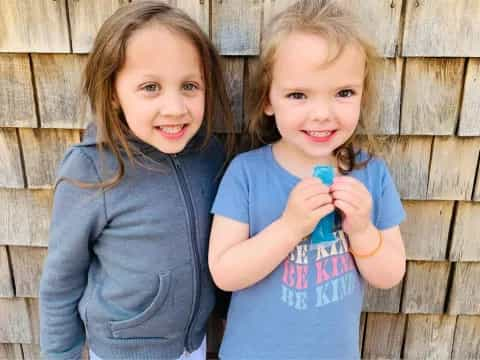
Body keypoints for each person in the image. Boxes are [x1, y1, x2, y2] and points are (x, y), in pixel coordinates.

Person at [208, 0, 406, 358]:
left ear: (363, 93)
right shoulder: (247, 173)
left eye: (343, 93)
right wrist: (289, 227)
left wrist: (362, 230)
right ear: (268, 99)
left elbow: (389, 274)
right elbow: (225, 273)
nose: (322, 114)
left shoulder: (371, 173)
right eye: (298, 95)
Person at [39, 1, 234, 359]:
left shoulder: (209, 154)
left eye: (190, 86)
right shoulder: (91, 168)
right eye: (150, 87)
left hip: (194, 343)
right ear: (113, 92)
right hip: (123, 349)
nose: (175, 107)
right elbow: (60, 282)